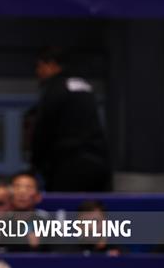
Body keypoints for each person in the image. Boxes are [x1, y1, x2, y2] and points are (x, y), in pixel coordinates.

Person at [32, 46, 111, 191]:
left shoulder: (54, 89)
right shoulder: (86, 86)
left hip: (67, 167)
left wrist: (35, 163)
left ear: (51, 65)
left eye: (39, 66)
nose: (38, 72)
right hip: (98, 164)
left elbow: (43, 129)